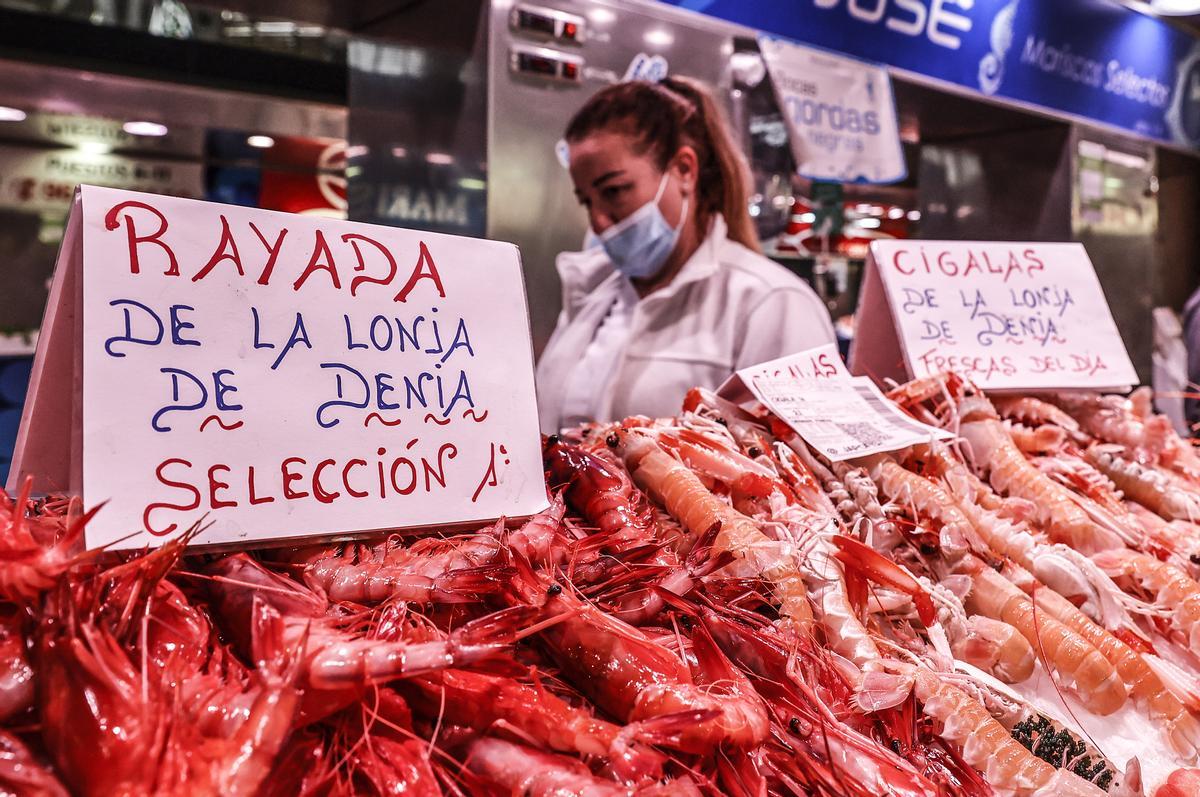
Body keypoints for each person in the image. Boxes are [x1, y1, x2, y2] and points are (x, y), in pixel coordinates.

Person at [536, 76, 836, 433]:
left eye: (615, 191)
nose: (599, 222)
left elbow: (801, 462)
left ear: (683, 170)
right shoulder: (595, 296)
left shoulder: (771, 304)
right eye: (587, 201)